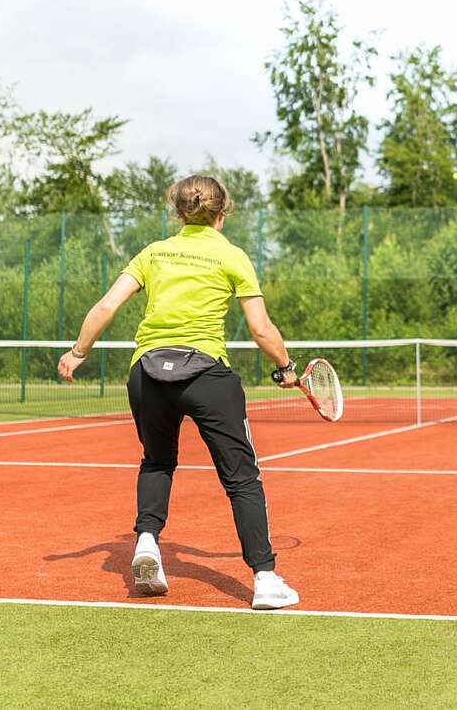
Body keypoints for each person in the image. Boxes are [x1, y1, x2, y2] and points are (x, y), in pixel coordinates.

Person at [57, 175, 300, 610]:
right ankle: (265, 579)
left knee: (157, 461)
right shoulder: (232, 255)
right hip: (207, 375)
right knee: (242, 479)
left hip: (147, 375)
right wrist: (285, 367)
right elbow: (261, 328)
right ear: (222, 213)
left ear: (178, 211)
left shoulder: (154, 252)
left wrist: (77, 353)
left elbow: (107, 305)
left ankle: (147, 541)